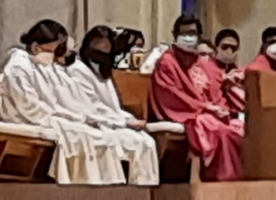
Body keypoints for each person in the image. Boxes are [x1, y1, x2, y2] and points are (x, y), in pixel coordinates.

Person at [0, 20, 125, 185]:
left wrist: (73, 116)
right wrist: (66, 116)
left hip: (46, 116)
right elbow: (28, 106)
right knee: (81, 134)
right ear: (36, 47)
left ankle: (104, 188)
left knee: (93, 134)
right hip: (24, 118)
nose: (57, 55)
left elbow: (56, 102)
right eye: (54, 49)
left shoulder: (40, 65)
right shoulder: (18, 66)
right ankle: (76, 186)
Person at [150, 15, 243, 182]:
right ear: (174, 34)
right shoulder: (167, 62)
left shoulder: (201, 63)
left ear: (199, 36)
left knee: (239, 129)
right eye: (183, 33)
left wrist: (220, 108)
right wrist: (206, 107)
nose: (188, 37)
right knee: (217, 130)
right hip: (188, 113)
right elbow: (170, 94)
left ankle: (236, 183)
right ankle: (218, 180)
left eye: (192, 33)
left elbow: (213, 92)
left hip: (207, 111)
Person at [64, 26, 159, 186]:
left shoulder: (104, 72)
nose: (102, 52)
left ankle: (143, 190)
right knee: (136, 144)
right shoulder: (78, 71)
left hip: (112, 122)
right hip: (95, 124)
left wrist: (129, 119)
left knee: (147, 142)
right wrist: (124, 122)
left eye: (106, 48)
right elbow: (92, 107)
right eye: (98, 47)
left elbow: (114, 107)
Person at [203, 29, 245, 115]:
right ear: (217, 47)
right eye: (225, 46)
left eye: (234, 48)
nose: (229, 51)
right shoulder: (206, 68)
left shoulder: (240, 71)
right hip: (215, 112)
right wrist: (223, 81)